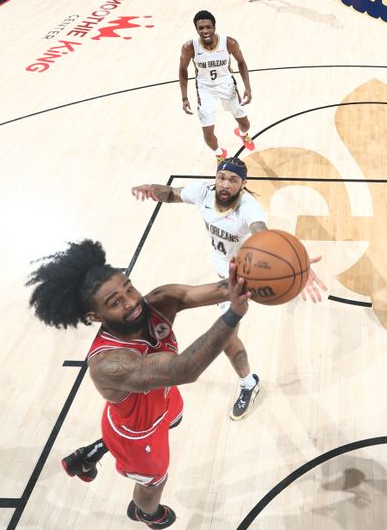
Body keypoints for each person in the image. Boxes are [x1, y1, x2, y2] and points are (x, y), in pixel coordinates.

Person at [27, 239, 252, 528]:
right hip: (138, 434)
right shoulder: (108, 364)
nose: (132, 302)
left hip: (163, 399)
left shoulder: (159, 300)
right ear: (95, 317)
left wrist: (258, 279)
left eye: (129, 289)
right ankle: (146, 513)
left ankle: (90, 454)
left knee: (175, 420)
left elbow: (224, 289)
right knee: (154, 482)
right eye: (116, 302)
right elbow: (185, 369)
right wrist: (232, 314)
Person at [130, 156, 327, 421]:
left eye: (233, 180)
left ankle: (249, 383)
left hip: (243, 278)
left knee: (225, 336)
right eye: (222, 178)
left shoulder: (248, 208)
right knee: (179, 303)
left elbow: (263, 234)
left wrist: (298, 266)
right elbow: (173, 194)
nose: (225, 184)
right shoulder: (203, 192)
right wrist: (151, 188)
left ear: (243, 184)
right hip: (220, 267)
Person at [179, 10, 255, 162]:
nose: (205, 31)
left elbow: (241, 62)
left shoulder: (229, 43)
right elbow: (182, 69)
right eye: (201, 28)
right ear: (196, 29)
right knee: (207, 135)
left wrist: (247, 88)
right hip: (205, 89)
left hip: (227, 85)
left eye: (208, 27)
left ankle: (242, 134)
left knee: (246, 124)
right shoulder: (189, 47)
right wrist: (185, 97)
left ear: (214, 27)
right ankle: (219, 153)